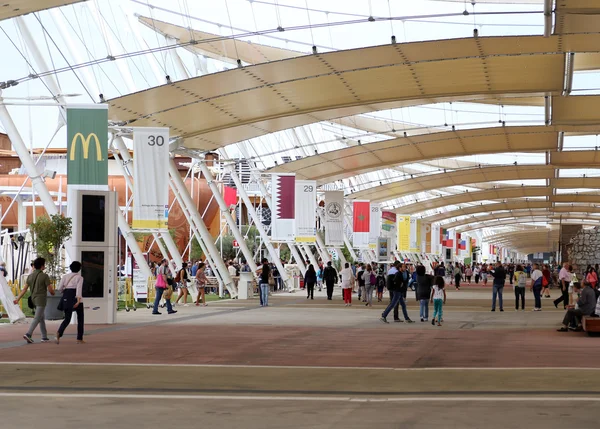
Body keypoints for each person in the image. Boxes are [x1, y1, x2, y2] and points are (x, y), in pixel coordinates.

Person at [13, 257, 54, 343]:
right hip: (41, 299)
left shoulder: (30, 276)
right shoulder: (44, 276)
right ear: (42, 266)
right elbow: (50, 290)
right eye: (44, 265)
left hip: (33, 299)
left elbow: (24, 289)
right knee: (37, 318)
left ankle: (44, 336)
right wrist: (53, 293)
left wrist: (18, 299)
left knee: (41, 318)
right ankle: (28, 334)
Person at [55, 261, 85, 344]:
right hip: (76, 298)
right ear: (79, 269)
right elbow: (79, 290)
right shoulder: (79, 278)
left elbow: (60, 288)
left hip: (67, 297)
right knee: (80, 319)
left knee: (67, 319)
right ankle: (79, 338)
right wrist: (78, 301)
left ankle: (59, 332)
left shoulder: (65, 277)